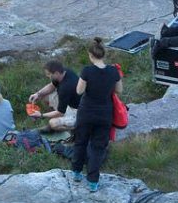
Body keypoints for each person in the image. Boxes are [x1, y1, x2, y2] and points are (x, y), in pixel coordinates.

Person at [70, 39, 122, 191]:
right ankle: (93, 181)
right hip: (105, 114)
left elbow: (79, 91)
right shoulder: (113, 71)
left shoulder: (87, 70)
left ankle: (77, 173)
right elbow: (119, 90)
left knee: (81, 142)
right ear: (103, 54)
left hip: (86, 112)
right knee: (98, 147)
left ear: (90, 55)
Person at [26, 58, 81, 133]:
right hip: (69, 102)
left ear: (56, 73)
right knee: (44, 96)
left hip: (77, 112)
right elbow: (52, 85)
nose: (48, 76)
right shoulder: (64, 72)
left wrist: (41, 115)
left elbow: (60, 112)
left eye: (49, 74)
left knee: (53, 123)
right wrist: (38, 94)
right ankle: (58, 118)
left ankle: (76, 129)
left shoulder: (65, 88)